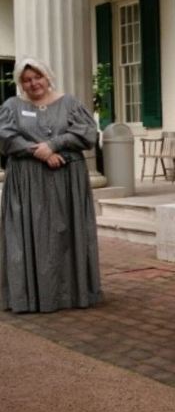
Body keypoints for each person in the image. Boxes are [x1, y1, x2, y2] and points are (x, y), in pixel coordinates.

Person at [0, 57, 102, 313]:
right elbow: (6, 137)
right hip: (27, 182)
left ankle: (70, 294)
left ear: (48, 77)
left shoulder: (69, 103)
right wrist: (41, 153)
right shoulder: (12, 106)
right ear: (20, 83)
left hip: (66, 179)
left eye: (38, 77)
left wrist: (54, 145)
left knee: (65, 235)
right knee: (28, 236)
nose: (33, 83)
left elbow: (87, 133)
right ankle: (29, 296)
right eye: (27, 80)